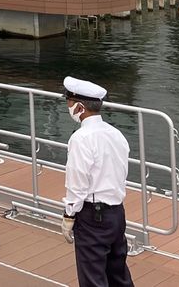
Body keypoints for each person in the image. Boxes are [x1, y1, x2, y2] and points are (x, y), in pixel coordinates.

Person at [61, 76, 134, 287]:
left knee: (92, 277)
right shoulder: (116, 134)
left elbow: (77, 183)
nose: (69, 107)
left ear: (80, 107)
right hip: (117, 212)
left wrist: (69, 215)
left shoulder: (80, 138)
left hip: (92, 216)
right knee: (118, 274)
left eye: (69, 103)